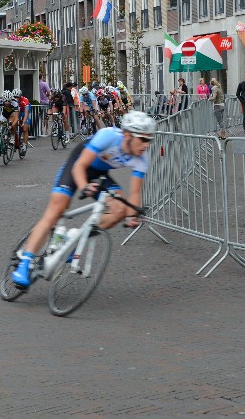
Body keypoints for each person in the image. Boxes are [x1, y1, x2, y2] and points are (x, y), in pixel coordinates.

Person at [9, 111, 157, 288]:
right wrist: (84, 186)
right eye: (143, 139)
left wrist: (132, 216)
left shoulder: (142, 157)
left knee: (120, 210)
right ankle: (25, 263)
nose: (146, 145)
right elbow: (80, 166)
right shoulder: (108, 136)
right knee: (56, 210)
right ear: (127, 135)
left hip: (99, 174)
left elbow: (134, 193)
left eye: (149, 140)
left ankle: (75, 240)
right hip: (78, 165)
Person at [14, 88, 31, 155]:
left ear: (20, 96)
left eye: (17, 97)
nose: (16, 99)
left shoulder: (25, 100)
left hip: (25, 111)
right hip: (18, 111)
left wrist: (23, 122)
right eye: (14, 97)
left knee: (24, 128)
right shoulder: (13, 101)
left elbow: (26, 114)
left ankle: (24, 145)